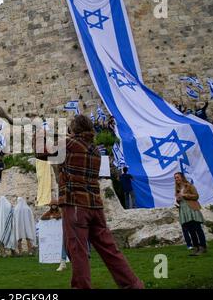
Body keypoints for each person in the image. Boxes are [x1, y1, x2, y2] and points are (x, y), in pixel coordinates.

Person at [36, 114, 143, 289]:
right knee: (110, 250)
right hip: (95, 206)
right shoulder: (94, 149)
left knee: (78, 251)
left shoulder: (68, 145)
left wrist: (40, 132)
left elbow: (41, 152)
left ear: (74, 129)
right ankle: (133, 285)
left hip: (75, 206)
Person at [174, 172, 207, 256]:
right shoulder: (177, 189)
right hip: (184, 210)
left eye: (177, 177)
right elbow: (179, 200)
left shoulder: (189, 185)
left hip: (192, 209)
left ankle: (203, 246)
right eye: (175, 178)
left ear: (182, 177)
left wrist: (185, 195)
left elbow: (196, 196)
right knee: (190, 230)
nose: (176, 179)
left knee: (197, 228)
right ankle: (196, 247)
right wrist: (178, 200)